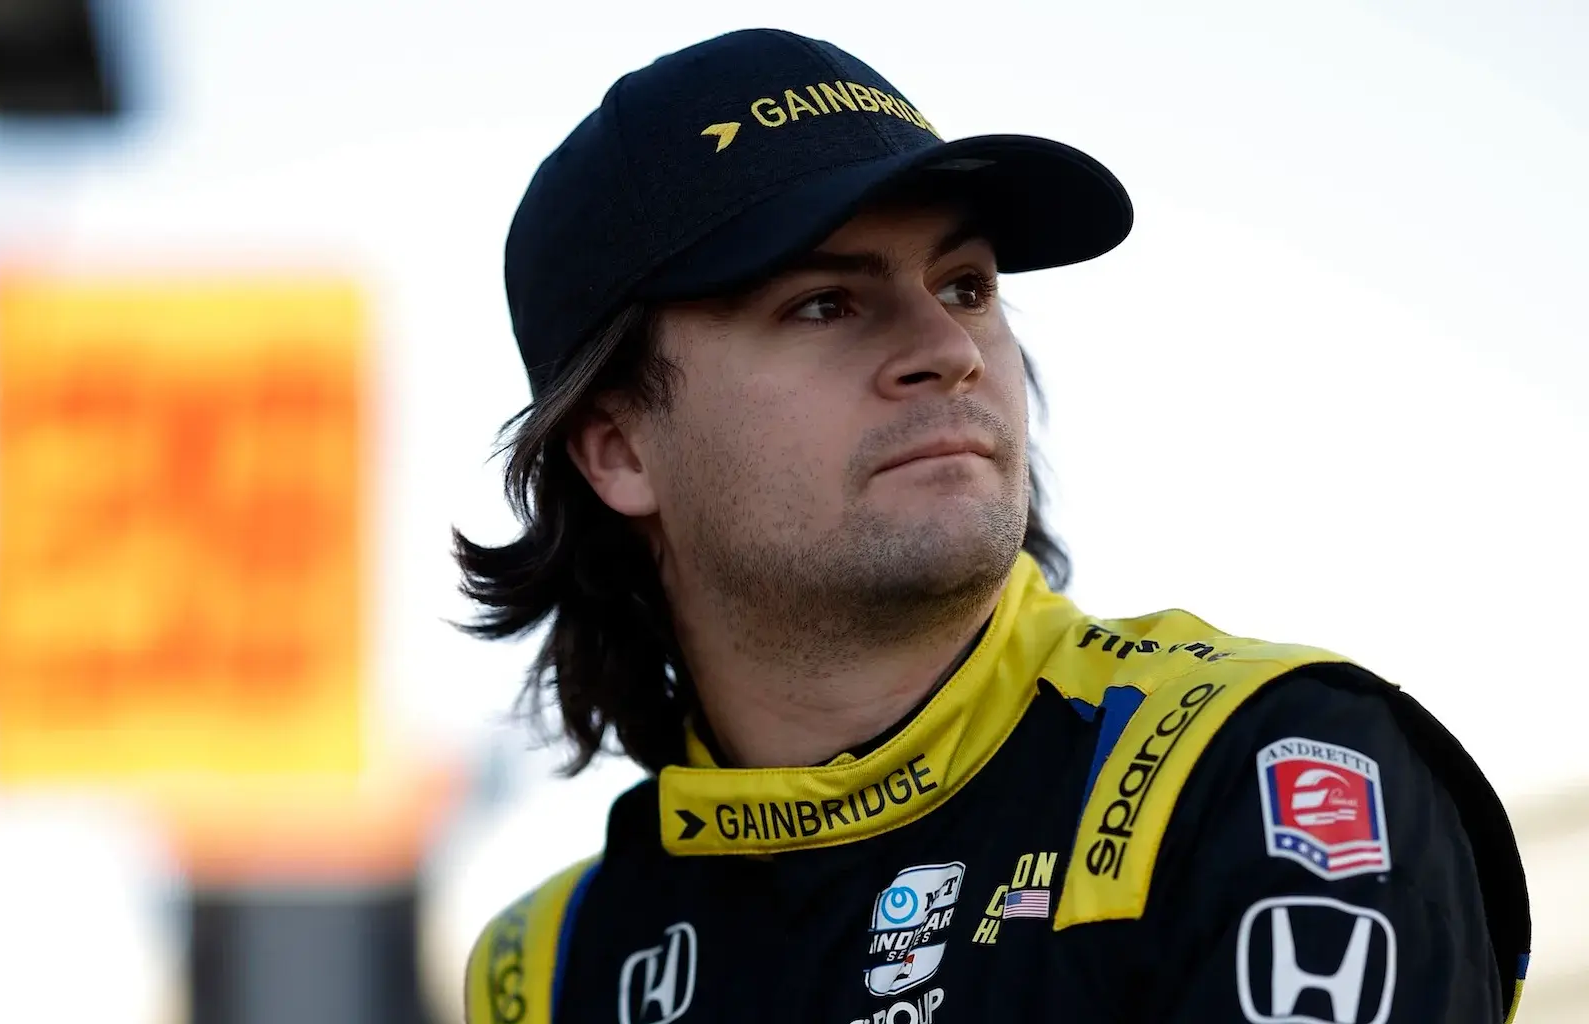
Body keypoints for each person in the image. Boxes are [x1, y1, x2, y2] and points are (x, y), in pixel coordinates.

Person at [455, 28, 1529, 1024]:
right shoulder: (544, 968)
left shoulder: (1254, 770)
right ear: (619, 447)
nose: (949, 345)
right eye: (824, 303)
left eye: (966, 285)